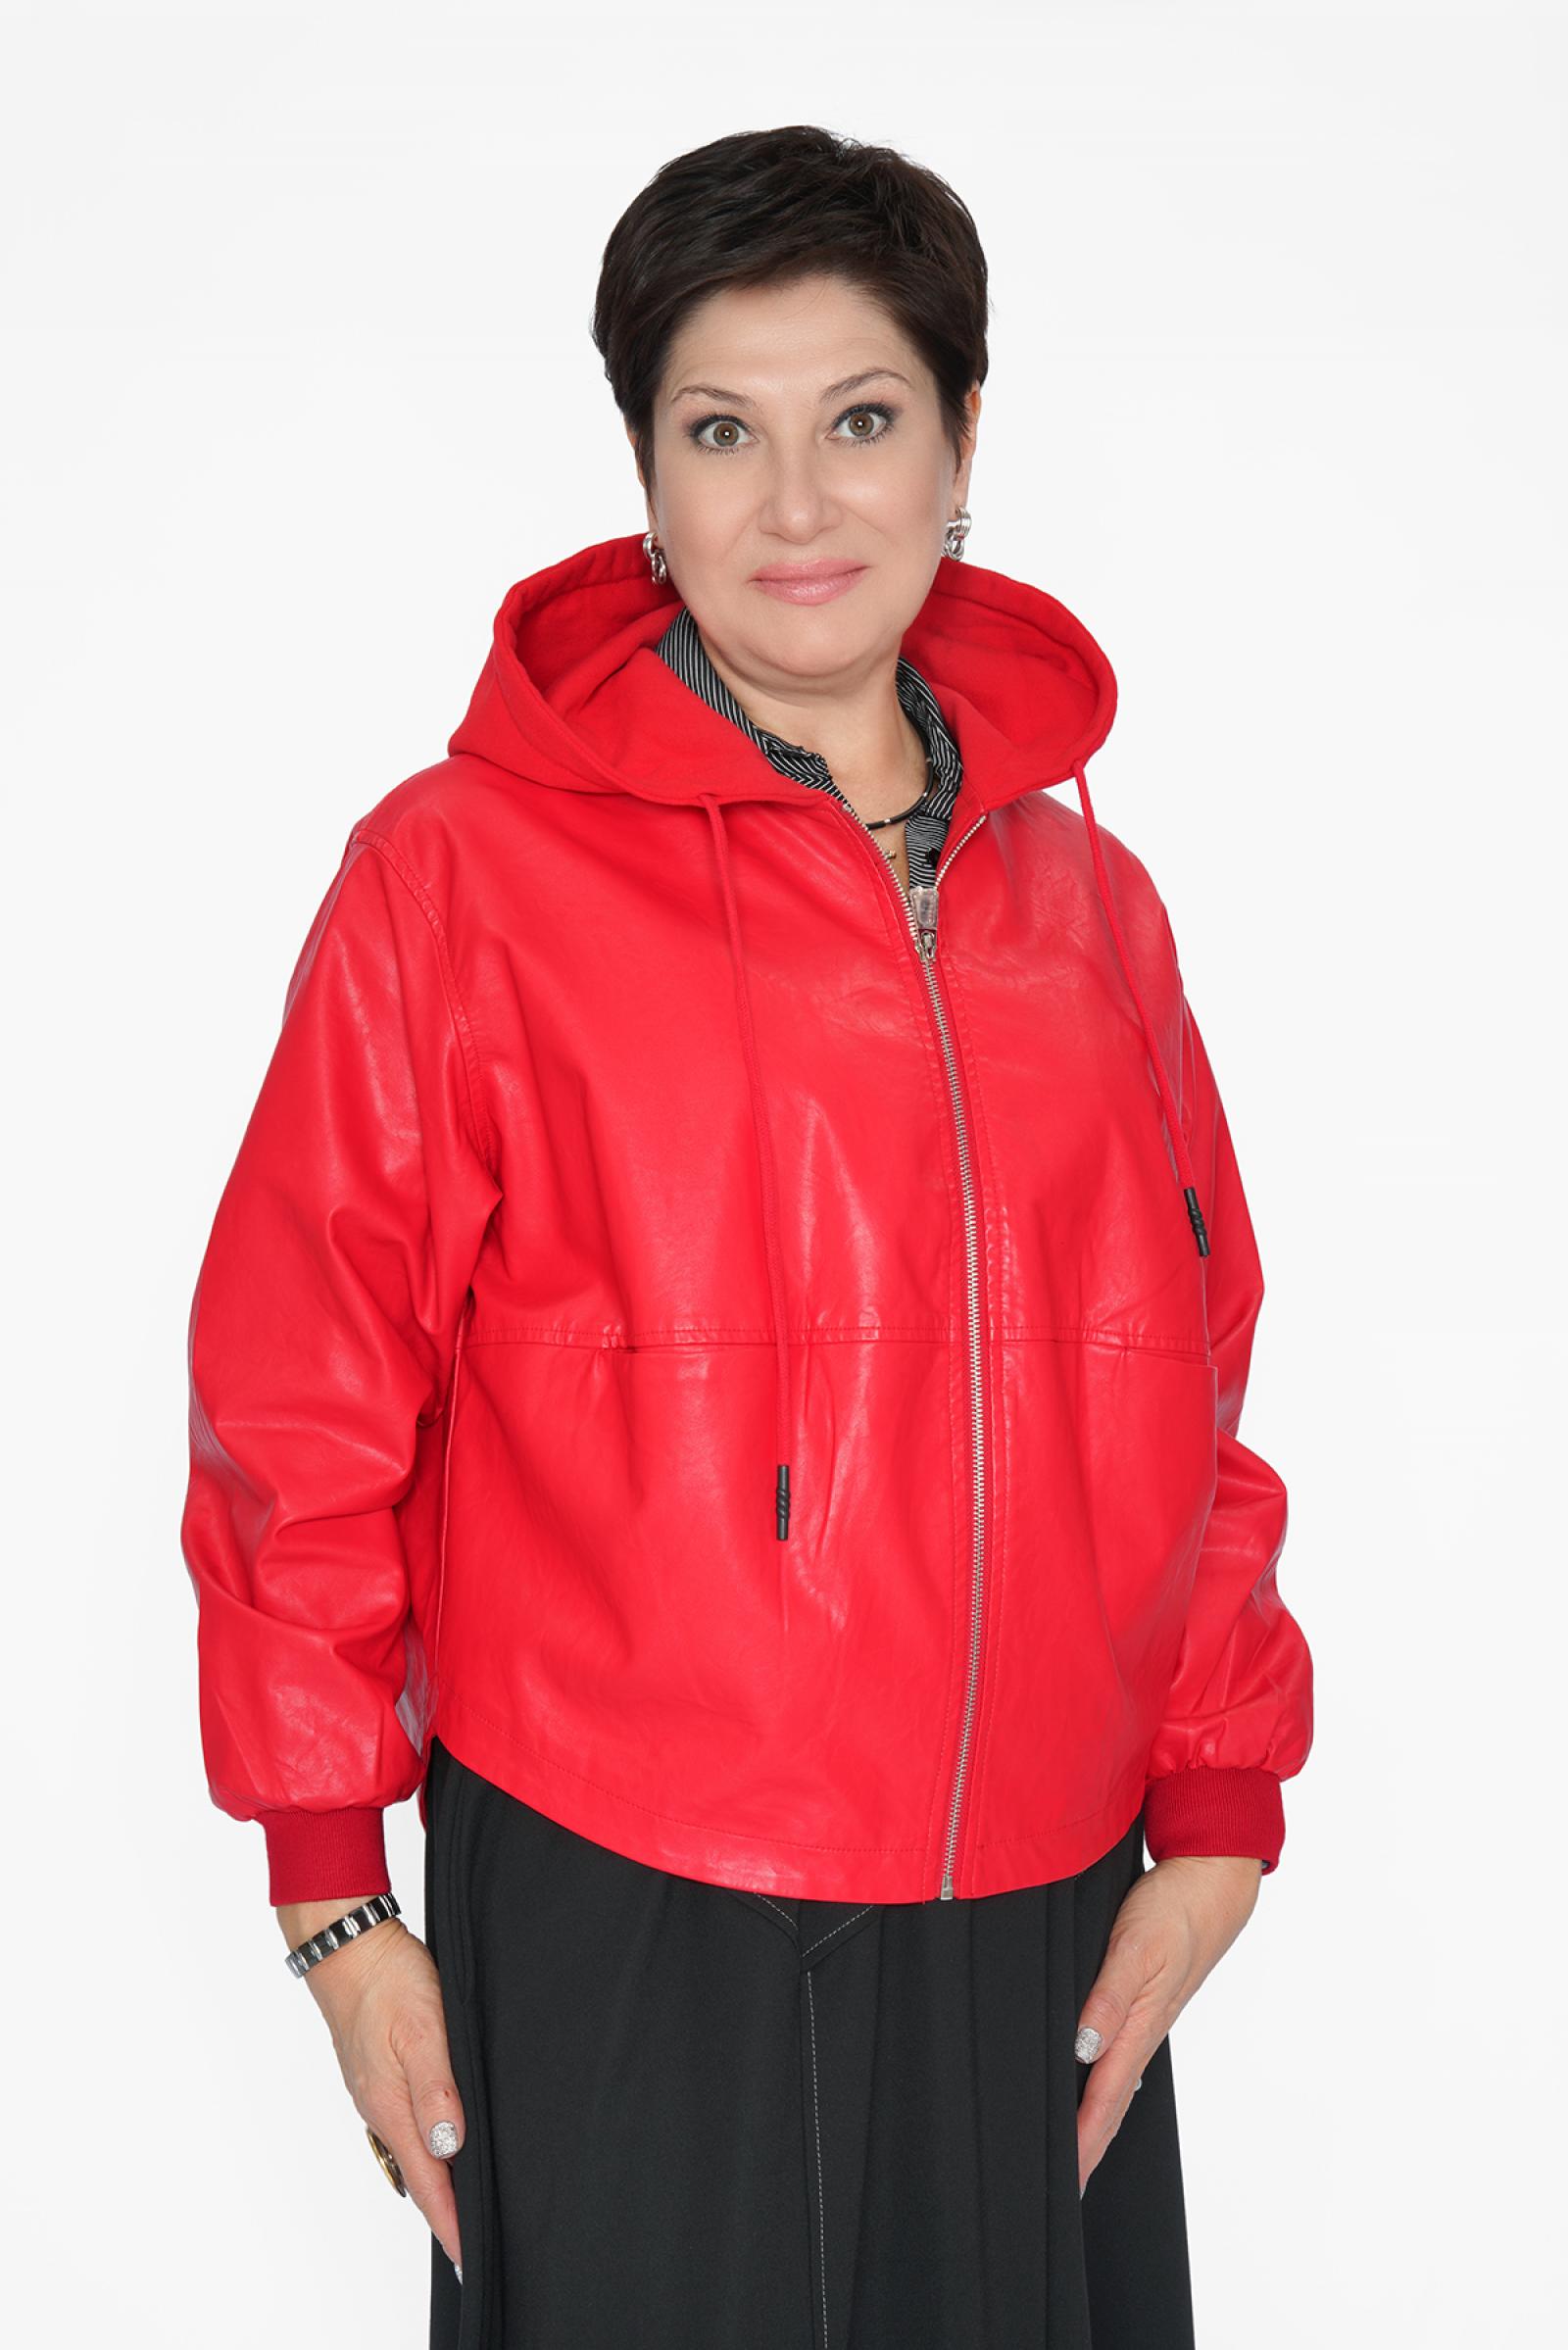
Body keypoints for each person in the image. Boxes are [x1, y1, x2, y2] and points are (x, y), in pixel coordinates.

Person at [180, 124, 1313, 2348]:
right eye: (722, 432)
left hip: (1036, 1902)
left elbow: (1184, 1378)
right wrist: (334, 1893)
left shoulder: (1092, 909)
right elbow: (300, 1394)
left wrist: (1216, 1800)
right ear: (645, 470)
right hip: (629, 1900)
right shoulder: (456, 876)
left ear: (962, 441)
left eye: (860, 420)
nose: (797, 505)